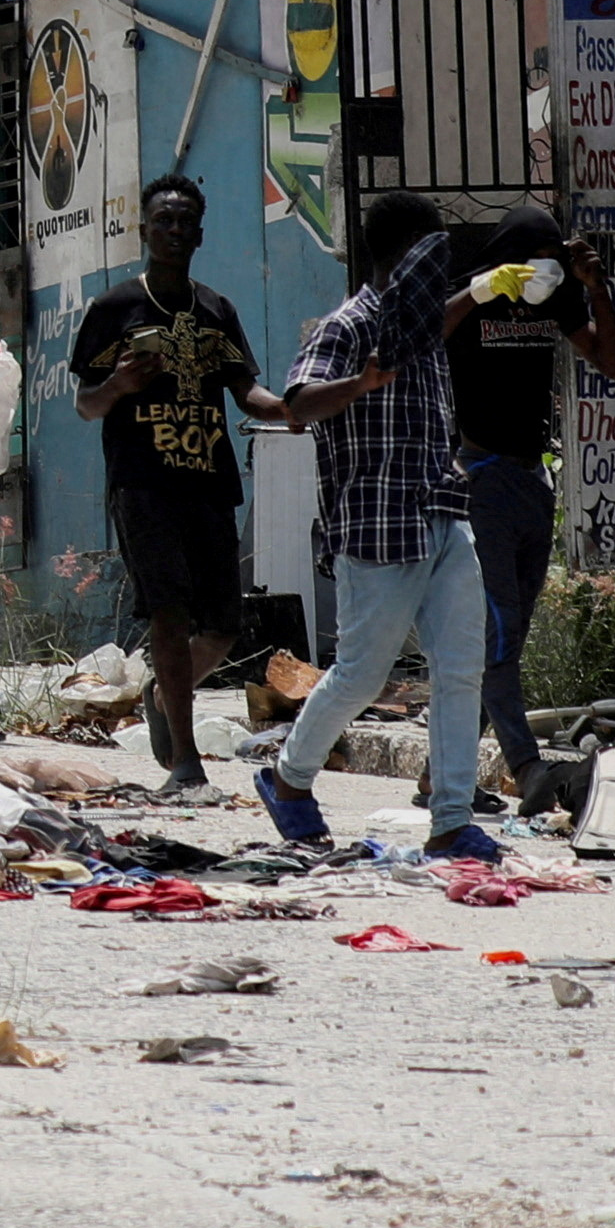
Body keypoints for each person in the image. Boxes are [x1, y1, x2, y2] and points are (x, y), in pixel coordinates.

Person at [255, 193, 502, 856]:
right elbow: (298, 404)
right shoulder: (348, 326)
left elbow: (438, 320)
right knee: (362, 675)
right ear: (401, 256)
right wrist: (363, 382)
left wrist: (481, 290)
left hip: (441, 514)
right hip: (377, 528)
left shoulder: (420, 324)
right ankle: (289, 778)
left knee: (458, 668)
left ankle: (451, 818)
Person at [67, 174, 301, 790]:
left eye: (184, 222)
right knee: (168, 614)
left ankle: (163, 696)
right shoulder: (114, 309)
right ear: (144, 230)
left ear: (199, 234)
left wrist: (290, 408)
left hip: (208, 481)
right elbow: (85, 403)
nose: (174, 231)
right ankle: (185, 762)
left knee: (222, 625)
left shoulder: (217, 310)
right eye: (163, 221)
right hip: (143, 482)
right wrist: (120, 384)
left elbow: (244, 390)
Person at [446, 200, 615, 794]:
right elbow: (419, 334)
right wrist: (482, 290)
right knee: (496, 628)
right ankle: (525, 767)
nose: (541, 270)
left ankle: (439, 768)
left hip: (532, 477)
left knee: (510, 631)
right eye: (533, 260)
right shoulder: (473, 296)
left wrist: (594, 288)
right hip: (483, 476)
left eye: (551, 259)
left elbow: (611, 362)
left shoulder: (558, 299)